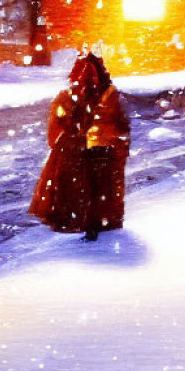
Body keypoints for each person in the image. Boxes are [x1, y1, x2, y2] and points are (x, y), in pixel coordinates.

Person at [29, 52, 130, 241]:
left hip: (92, 149)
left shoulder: (103, 96)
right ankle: (90, 221)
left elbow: (116, 126)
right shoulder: (97, 95)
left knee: (90, 189)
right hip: (86, 148)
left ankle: (88, 222)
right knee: (91, 189)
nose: (85, 80)